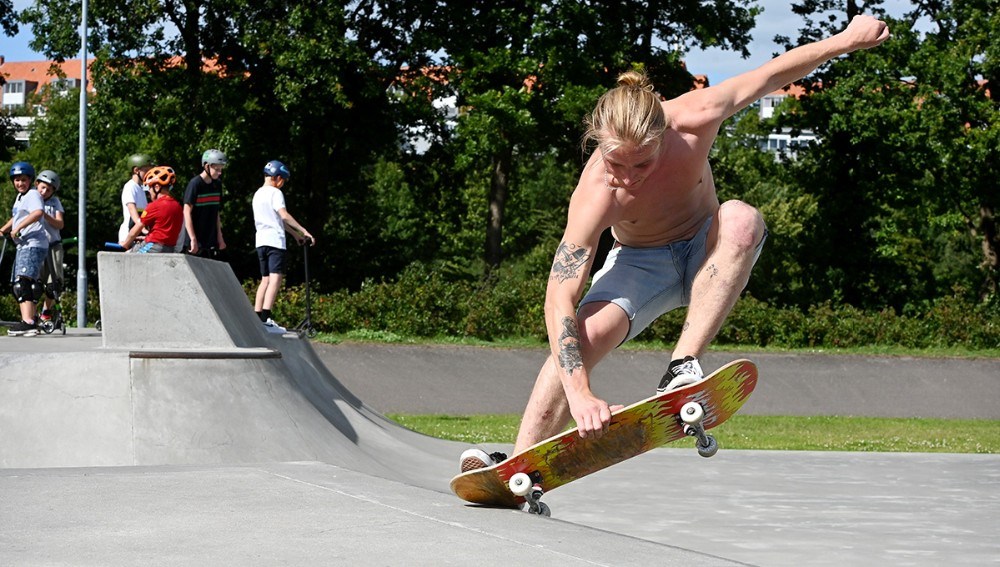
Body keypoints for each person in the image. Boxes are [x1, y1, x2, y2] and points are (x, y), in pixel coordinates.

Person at [459, 15, 891, 471]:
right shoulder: (593, 194)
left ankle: (682, 366)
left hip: (709, 249)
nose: (626, 178)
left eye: (641, 165)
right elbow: (558, 295)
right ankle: (517, 460)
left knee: (742, 218)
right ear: (598, 144)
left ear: (663, 136)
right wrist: (580, 392)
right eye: (614, 164)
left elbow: (774, 73)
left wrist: (846, 41)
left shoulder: (696, 115)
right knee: (583, 333)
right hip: (641, 264)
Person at [251, 160, 314, 333]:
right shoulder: (275, 193)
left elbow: (275, 219)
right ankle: (266, 320)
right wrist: (303, 230)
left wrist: (295, 235)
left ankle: (257, 318)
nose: (283, 185)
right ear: (277, 178)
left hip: (261, 241)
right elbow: (283, 216)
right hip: (275, 242)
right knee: (276, 279)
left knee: (265, 279)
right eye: (283, 181)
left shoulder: (257, 194)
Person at [1, 161, 48, 337]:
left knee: (23, 282)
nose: (20, 183)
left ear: (30, 180)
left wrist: (19, 228)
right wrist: (4, 229)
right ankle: (30, 320)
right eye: (17, 180)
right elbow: (16, 218)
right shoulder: (20, 198)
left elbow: (38, 213)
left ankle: (28, 322)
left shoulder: (33, 194)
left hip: (33, 243)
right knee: (19, 283)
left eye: (23, 179)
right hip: (24, 244)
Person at [120, 166, 184, 254]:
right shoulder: (178, 207)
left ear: (157, 187)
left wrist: (125, 244)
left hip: (153, 246)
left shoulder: (154, 206)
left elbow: (136, 229)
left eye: (150, 188)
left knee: (126, 258)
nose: (149, 192)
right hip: (170, 249)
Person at [182, 149, 227, 257]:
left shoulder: (217, 184)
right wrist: (193, 239)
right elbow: (186, 212)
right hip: (196, 240)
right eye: (217, 169)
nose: (219, 173)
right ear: (207, 166)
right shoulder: (195, 184)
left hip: (210, 239)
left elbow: (216, 212)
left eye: (221, 169)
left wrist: (220, 237)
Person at [35, 170, 65, 324]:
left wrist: (45, 215)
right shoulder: (32, 200)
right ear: (36, 185)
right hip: (37, 245)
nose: (44, 192)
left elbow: (60, 224)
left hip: (53, 245)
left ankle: (46, 311)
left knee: (54, 284)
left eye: (48, 189)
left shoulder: (55, 202)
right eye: (42, 188)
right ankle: (31, 315)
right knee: (35, 284)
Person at [118, 154, 153, 244]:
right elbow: (132, 210)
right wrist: (144, 229)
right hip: (128, 235)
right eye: (146, 170)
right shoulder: (130, 186)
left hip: (138, 234)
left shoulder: (142, 189)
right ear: (136, 170)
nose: (149, 174)